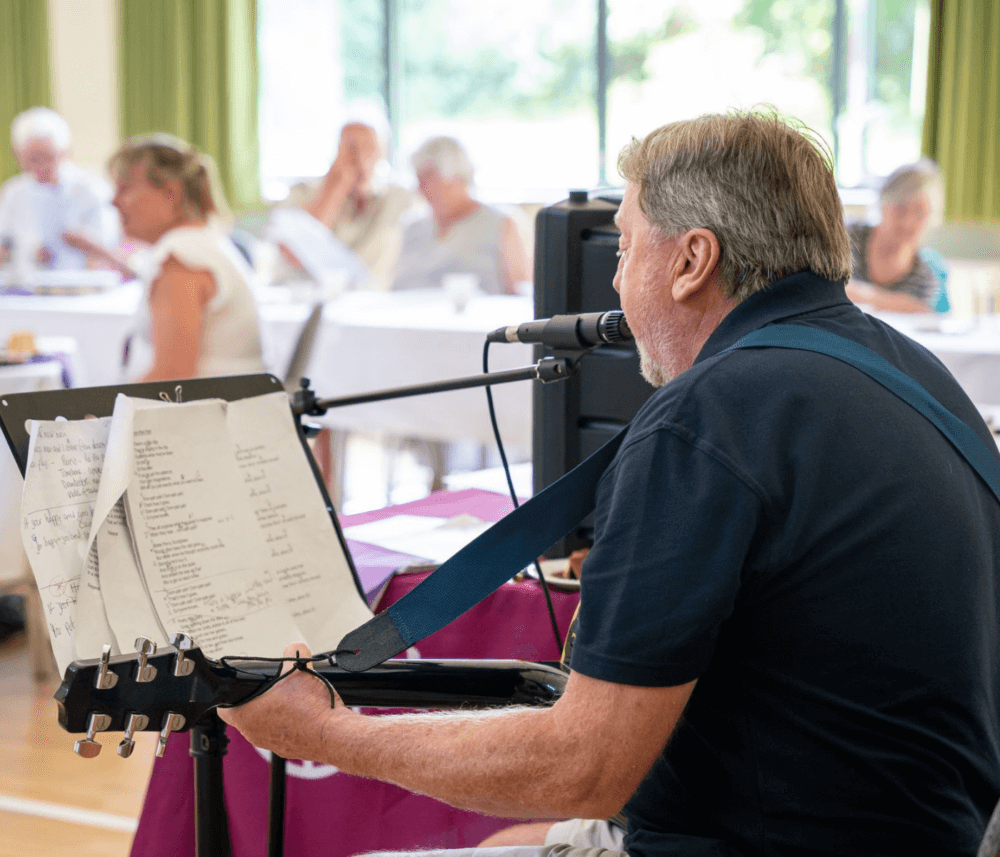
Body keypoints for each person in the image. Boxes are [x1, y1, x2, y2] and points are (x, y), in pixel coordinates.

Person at [219, 110, 1000, 857]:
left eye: (624, 248)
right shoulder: (917, 371)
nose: (617, 283)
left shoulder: (707, 415)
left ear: (693, 261)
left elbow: (582, 767)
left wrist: (325, 733)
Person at [105, 133, 266, 382]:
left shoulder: (183, 258)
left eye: (125, 189)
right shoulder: (202, 242)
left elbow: (172, 378)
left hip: (213, 414)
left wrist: (108, 414)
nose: (113, 201)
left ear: (171, 193)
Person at [279, 110, 415, 290]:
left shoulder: (397, 198)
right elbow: (295, 255)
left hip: (375, 301)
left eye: (367, 148)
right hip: (312, 297)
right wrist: (335, 189)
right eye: (350, 148)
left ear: (379, 153)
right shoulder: (302, 193)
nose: (358, 157)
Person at [391, 136, 530, 295]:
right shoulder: (412, 227)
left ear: (455, 177)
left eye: (427, 179)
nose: (420, 189)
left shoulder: (501, 223)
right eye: (418, 179)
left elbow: (521, 292)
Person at [0, 106, 119, 271]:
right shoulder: (13, 191)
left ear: (65, 152)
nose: (40, 166)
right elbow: (4, 243)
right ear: (18, 155)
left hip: (80, 283)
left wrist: (84, 243)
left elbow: (112, 246)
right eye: (32, 159)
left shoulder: (91, 189)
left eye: (48, 157)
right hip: (27, 286)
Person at [845, 158, 947, 313]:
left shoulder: (927, 272)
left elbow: (924, 313)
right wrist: (898, 303)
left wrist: (861, 294)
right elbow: (822, 288)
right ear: (883, 204)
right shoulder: (847, 237)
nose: (908, 222)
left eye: (920, 213)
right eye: (901, 209)